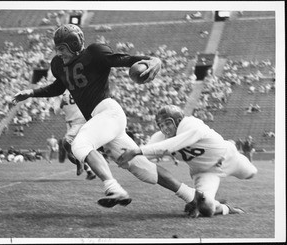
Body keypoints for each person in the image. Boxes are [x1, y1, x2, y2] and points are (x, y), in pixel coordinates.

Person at [13, 24, 197, 210]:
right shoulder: (58, 65)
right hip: (100, 119)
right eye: (57, 49)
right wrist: (31, 92)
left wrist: (152, 59)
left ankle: (113, 188)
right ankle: (192, 196)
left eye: (62, 48)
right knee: (143, 169)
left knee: (80, 144)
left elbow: (123, 59)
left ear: (74, 44)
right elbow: (58, 87)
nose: (59, 53)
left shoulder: (94, 53)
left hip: (108, 112)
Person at [118, 105, 258, 217]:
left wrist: (137, 151)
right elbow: (144, 155)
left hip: (228, 157)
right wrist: (125, 159)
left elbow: (174, 144)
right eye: (161, 125)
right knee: (206, 208)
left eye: (168, 123)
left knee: (252, 173)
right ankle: (226, 208)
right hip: (205, 172)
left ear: (179, 121)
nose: (165, 128)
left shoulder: (191, 124)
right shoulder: (160, 138)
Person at [54, 89, 96, 180]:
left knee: (67, 144)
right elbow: (56, 111)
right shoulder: (61, 94)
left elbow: (56, 111)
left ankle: (80, 162)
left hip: (79, 122)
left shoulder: (76, 88)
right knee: (71, 152)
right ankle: (89, 171)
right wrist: (60, 104)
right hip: (71, 124)